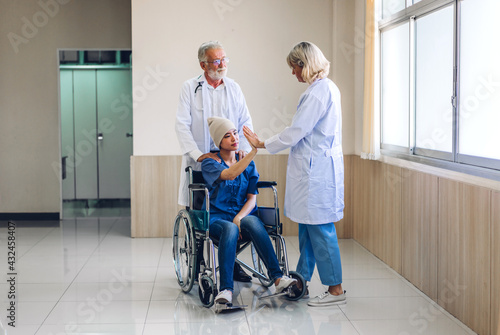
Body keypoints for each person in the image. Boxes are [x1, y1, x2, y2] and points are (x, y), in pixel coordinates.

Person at [243, 41, 345, 307]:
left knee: (321, 231)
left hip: (316, 174)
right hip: (315, 171)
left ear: (305, 64)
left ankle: (336, 290)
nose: (293, 73)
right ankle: (301, 282)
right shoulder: (323, 89)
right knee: (308, 232)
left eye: (294, 67)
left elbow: (297, 131)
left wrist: (263, 143)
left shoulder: (318, 93)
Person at [175, 40, 253, 282]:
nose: (222, 64)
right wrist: (199, 154)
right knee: (203, 216)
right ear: (203, 64)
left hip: (229, 160)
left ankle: (233, 265)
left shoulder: (234, 88)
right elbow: (181, 125)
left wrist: (245, 150)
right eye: (216, 61)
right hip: (202, 163)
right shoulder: (190, 88)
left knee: (231, 213)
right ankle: (199, 267)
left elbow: (245, 121)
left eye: (224, 59)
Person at [202, 117, 297, 305]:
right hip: (217, 219)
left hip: (243, 216)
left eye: (235, 133)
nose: (234, 138)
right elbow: (230, 174)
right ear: (218, 142)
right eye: (227, 136)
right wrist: (253, 152)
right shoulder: (209, 162)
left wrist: (239, 217)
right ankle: (226, 290)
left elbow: (252, 198)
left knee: (253, 221)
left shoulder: (247, 162)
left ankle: (278, 279)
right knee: (229, 228)